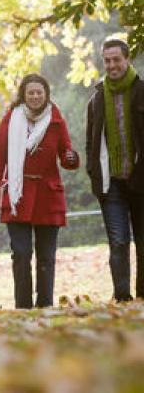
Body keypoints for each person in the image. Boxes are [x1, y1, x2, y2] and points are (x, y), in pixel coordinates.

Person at [0, 74, 79, 309]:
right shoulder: (10, 120)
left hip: (48, 196)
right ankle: (23, 306)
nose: (35, 96)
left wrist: (71, 157)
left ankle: (45, 304)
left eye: (39, 92)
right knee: (21, 253)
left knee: (46, 255)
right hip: (18, 196)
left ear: (46, 94)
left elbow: (67, 157)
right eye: (31, 93)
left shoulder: (56, 120)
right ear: (23, 96)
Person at [86, 38, 144, 302]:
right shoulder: (96, 100)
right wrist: (93, 173)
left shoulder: (142, 91)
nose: (111, 65)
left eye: (116, 60)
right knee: (118, 242)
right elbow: (91, 144)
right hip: (112, 185)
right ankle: (122, 297)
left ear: (127, 59)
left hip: (141, 179)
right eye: (107, 61)